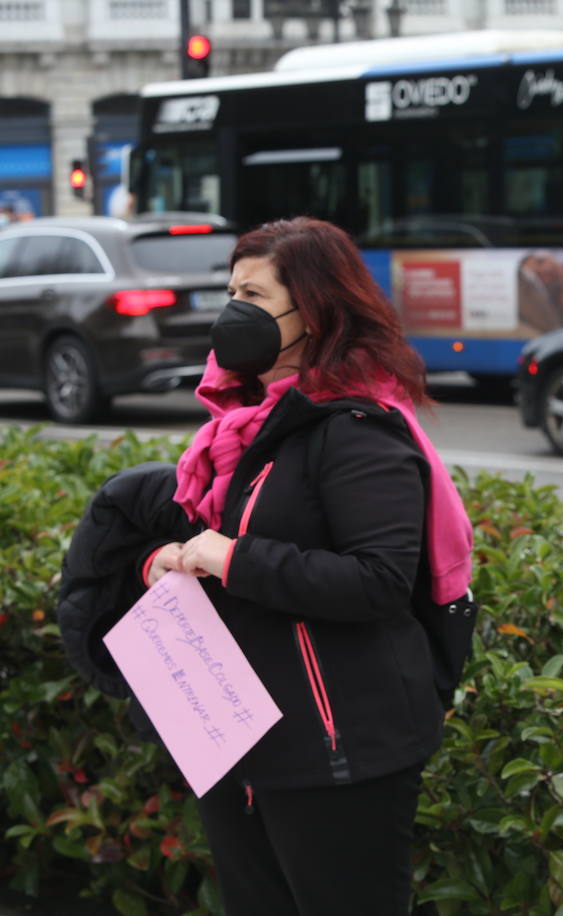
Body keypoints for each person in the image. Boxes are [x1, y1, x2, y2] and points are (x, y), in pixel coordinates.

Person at [141, 217, 474, 915]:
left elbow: (380, 580)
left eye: (255, 296)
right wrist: (177, 560)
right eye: (231, 291)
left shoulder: (357, 431)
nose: (234, 313)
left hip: (338, 747)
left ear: (316, 313)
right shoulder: (247, 426)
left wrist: (234, 558)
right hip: (240, 735)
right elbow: (232, 544)